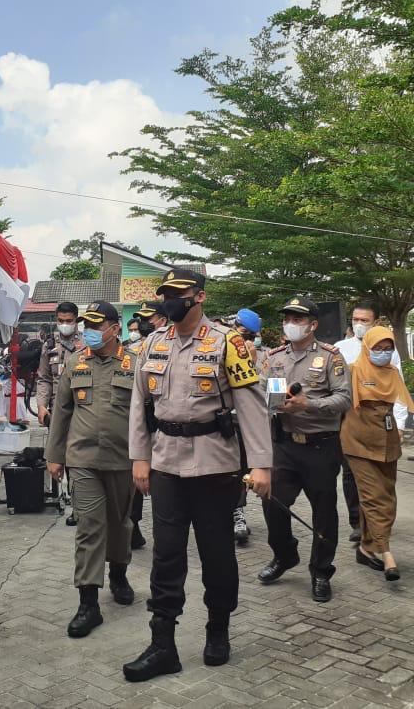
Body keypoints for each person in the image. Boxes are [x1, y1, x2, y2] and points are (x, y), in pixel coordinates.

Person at [123, 269, 271, 682]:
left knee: (217, 553)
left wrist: (261, 465)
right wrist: (139, 457)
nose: (170, 300)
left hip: (214, 465)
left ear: (199, 297)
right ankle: (162, 644)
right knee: (165, 555)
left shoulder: (229, 343)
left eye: (178, 293)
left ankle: (218, 629)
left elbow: (252, 407)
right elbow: (140, 404)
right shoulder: (152, 343)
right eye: (165, 293)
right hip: (166, 463)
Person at [46, 302, 137, 638]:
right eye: (87, 326)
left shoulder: (135, 365)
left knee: (120, 523)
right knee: (89, 526)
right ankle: (88, 602)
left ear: (115, 328)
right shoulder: (75, 362)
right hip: (82, 459)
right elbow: (62, 412)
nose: (90, 332)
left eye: (97, 326)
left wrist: (148, 459)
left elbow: (147, 416)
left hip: (123, 459)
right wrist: (54, 455)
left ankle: (119, 574)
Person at [258, 297, 351, 603]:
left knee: (324, 513)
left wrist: (308, 404)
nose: (291, 325)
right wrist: (276, 403)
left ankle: (321, 570)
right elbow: (267, 395)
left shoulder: (330, 358)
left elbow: (344, 399)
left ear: (313, 325)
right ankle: (285, 556)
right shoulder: (274, 359)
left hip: (320, 446)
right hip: (284, 445)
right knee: (272, 504)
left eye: (298, 320)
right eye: (288, 318)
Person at [341, 326, 414, 581]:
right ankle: (385, 551)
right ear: (367, 347)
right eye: (377, 348)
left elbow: (401, 404)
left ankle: (366, 546)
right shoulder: (354, 370)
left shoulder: (392, 373)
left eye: (388, 349)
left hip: (387, 439)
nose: (383, 353)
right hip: (358, 441)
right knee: (374, 498)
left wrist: (401, 428)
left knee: (388, 496)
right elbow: (339, 402)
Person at [334, 300, 409, 544]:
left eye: (364, 320)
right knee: (350, 474)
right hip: (351, 423)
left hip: (380, 424)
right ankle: (358, 521)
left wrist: (399, 424)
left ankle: (374, 524)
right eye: (355, 320)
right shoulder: (340, 349)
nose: (358, 324)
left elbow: (398, 390)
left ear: (374, 321)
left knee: (380, 478)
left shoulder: (388, 351)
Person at [126, 300, 169, 548]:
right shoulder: (129, 350)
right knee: (136, 478)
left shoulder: (170, 347)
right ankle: (133, 526)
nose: (142, 324)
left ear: (162, 320)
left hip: (165, 427)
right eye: (140, 318)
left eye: (148, 318)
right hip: (140, 423)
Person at [37, 302, 84, 525]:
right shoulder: (49, 344)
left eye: (69, 320)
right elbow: (44, 378)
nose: (64, 325)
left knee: (77, 460)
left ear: (76, 319)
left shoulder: (85, 344)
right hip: (56, 413)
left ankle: (78, 507)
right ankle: (64, 495)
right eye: (61, 321)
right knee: (58, 456)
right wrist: (41, 405)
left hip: (81, 411)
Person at [231, 307, 263, 547]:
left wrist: (251, 363)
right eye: (244, 333)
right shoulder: (222, 349)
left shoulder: (265, 356)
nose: (248, 340)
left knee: (242, 468)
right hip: (222, 422)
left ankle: (237, 512)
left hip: (246, 423)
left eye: (252, 336)